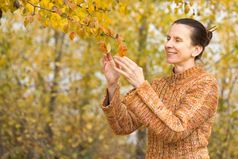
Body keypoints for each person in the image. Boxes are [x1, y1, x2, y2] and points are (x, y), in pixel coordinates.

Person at [100, 18, 218, 159]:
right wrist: (113, 85)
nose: (168, 44)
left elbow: (176, 131)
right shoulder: (158, 85)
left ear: (196, 50)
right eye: (168, 38)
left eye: (177, 40)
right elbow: (122, 126)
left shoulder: (205, 84)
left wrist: (141, 86)